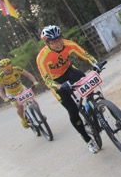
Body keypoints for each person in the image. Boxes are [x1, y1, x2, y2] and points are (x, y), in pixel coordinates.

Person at [36, 25, 104, 154]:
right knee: (72, 110)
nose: (58, 43)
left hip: (69, 71)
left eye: (59, 39)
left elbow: (86, 54)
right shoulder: (42, 57)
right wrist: (59, 86)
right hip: (56, 82)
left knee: (88, 86)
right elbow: (46, 80)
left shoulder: (69, 44)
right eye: (53, 42)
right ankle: (88, 140)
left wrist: (95, 63)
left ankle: (91, 107)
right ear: (47, 43)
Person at [0, 58, 40, 129]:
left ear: (11, 65)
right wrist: (5, 98)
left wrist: (34, 81)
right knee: (20, 106)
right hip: (11, 94)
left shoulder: (17, 69)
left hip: (21, 89)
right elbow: (0, 89)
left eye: (9, 66)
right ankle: (23, 119)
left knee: (33, 102)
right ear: (2, 69)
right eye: (5, 67)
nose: (8, 68)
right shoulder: (0, 77)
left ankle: (40, 114)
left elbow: (28, 75)